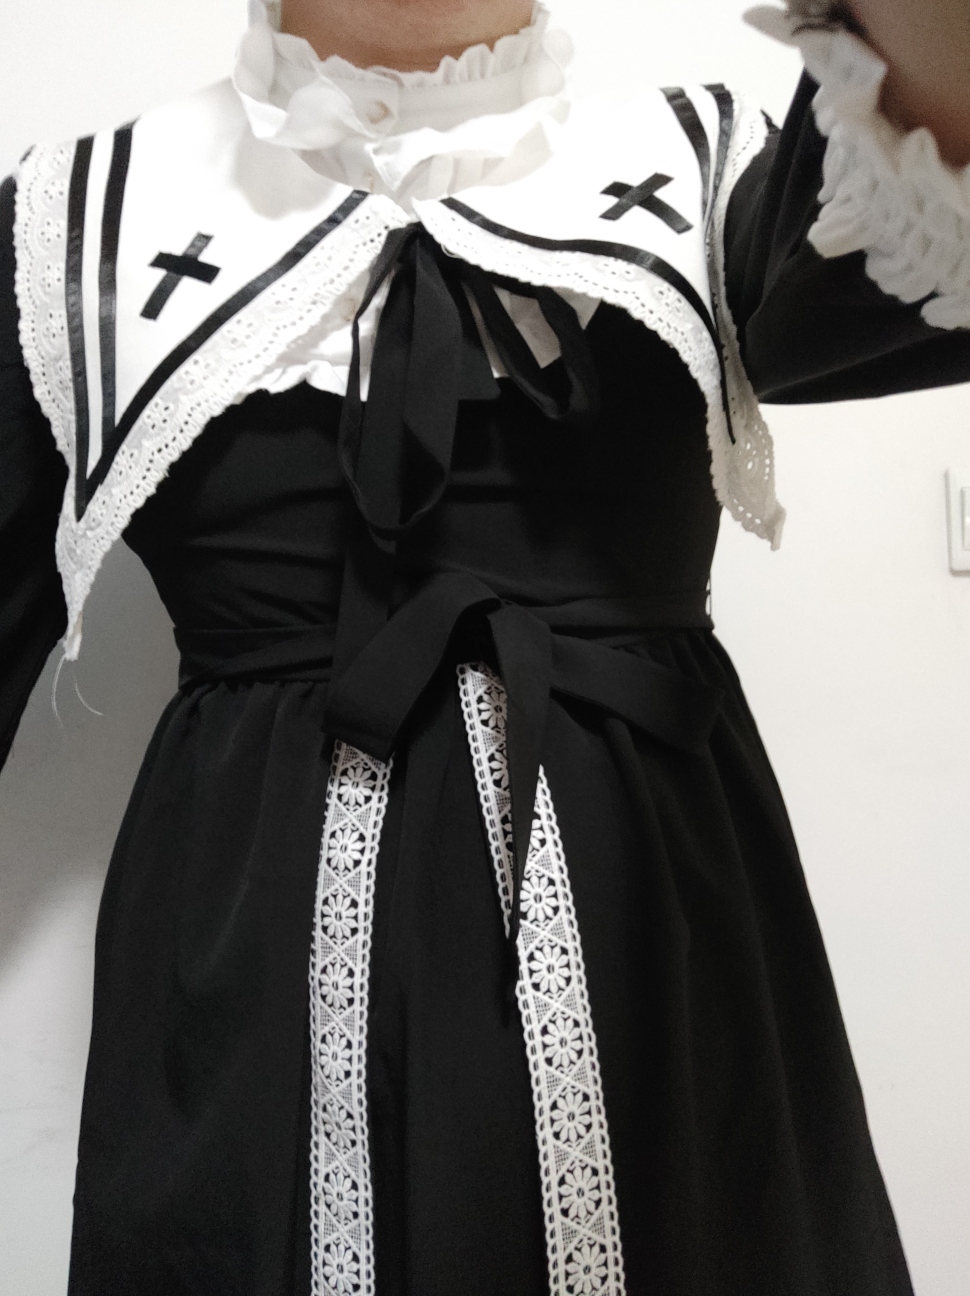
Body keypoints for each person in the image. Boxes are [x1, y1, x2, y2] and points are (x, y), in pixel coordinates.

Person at [1, 0, 969, 1292]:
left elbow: (915, 225)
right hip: (259, 1013)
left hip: (665, 980)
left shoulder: (701, 164)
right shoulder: (82, 219)